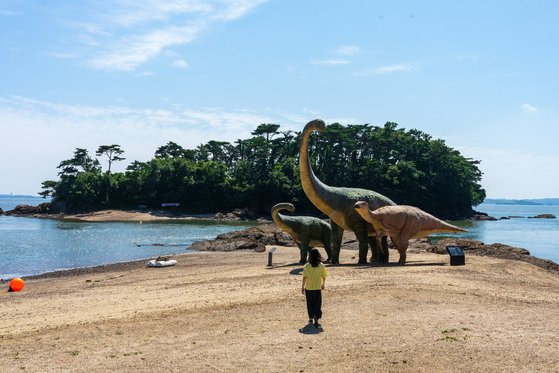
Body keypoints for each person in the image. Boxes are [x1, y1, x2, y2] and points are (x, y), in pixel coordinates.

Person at [301, 248, 328, 328]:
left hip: (309, 287)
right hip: (317, 287)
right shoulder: (321, 265)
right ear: (318, 255)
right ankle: (317, 316)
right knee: (317, 303)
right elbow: (324, 276)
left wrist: (302, 287)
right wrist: (323, 284)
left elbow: (304, 277)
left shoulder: (307, 265)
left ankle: (310, 318)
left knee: (310, 303)